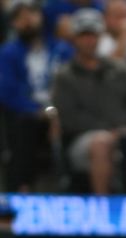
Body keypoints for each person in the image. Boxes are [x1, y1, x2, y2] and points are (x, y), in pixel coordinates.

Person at [50, 7, 126, 194]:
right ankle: (102, 207)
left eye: (93, 35)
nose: (89, 41)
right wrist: (110, 131)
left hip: (125, 136)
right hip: (82, 142)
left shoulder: (119, 70)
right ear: (74, 39)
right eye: (83, 35)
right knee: (101, 142)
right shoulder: (65, 76)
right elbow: (68, 119)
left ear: (100, 36)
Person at [0, 0, 72, 192]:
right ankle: (20, 190)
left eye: (31, 14)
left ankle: (73, 191)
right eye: (20, 18)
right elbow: (7, 92)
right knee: (23, 126)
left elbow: (74, 84)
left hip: (65, 111)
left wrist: (57, 111)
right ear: (13, 23)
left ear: (41, 16)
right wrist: (40, 111)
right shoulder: (8, 53)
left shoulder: (61, 49)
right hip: (29, 114)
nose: (27, 21)